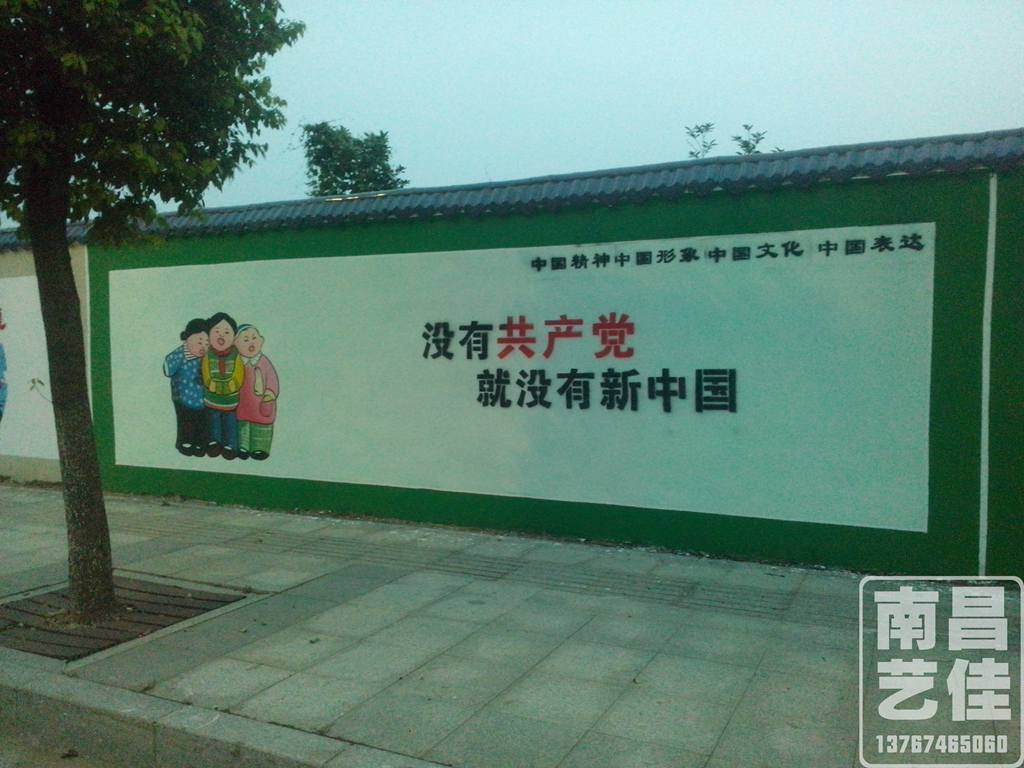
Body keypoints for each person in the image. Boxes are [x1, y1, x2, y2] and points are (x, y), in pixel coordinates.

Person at [163, 319, 210, 455]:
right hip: (182, 397)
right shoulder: (179, 355)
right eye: (199, 342)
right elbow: (168, 369)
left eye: (207, 343)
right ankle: (185, 441)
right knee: (186, 421)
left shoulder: (206, 358)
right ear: (187, 338)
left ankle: (200, 443)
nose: (203, 346)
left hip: (202, 399)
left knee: (202, 421)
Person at [201, 312, 244, 459]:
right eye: (217, 331)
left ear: (234, 337)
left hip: (230, 400)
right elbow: (206, 372)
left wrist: (231, 385)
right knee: (213, 420)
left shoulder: (236, 355)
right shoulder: (208, 355)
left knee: (229, 422)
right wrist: (210, 383)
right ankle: (214, 442)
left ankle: (230, 445)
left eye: (226, 332)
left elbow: (239, 374)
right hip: (211, 399)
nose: (221, 335)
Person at [234, 324, 279, 460]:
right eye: (245, 340)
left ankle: (260, 448)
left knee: (261, 429)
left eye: (254, 338)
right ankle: (243, 447)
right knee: (243, 427)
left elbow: (272, 380)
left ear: (261, 340)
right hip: (242, 406)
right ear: (236, 344)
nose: (251, 343)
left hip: (261, 405)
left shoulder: (264, 362)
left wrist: (270, 393)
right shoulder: (237, 362)